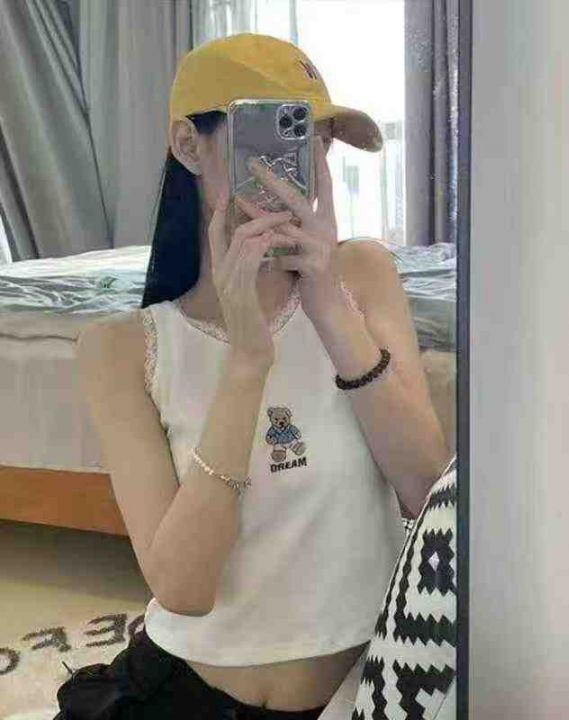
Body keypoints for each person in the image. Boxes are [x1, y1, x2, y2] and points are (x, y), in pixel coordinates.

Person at [54, 33, 448, 719]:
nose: (300, 168)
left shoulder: (362, 277)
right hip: (184, 694)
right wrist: (246, 362)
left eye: (315, 143)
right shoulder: (120, 349)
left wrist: (327, 305)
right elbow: (183, 589)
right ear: (189, 145)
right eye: (276, 140)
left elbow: (425, 487)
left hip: (356, 695)